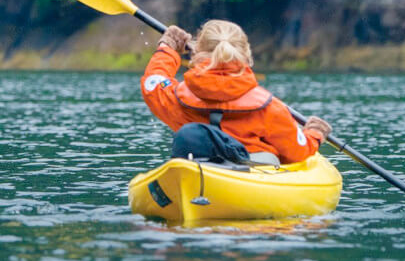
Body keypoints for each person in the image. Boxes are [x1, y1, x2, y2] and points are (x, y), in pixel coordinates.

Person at [140, 20, 332, 165]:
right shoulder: (270, 108)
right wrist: (313, 134)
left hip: (199, 171)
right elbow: (296, 153)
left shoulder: (176, 98)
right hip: (253, 177)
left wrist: (168, 48)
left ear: (197, 52)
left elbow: (153, 83)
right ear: (246, 56)